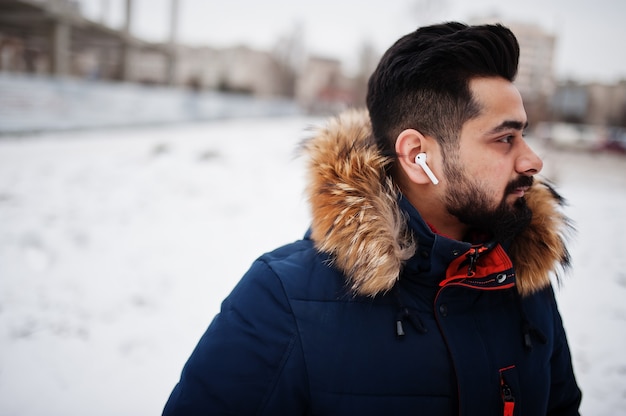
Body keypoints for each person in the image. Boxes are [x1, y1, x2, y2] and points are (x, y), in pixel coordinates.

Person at [163, 22, 582, 415]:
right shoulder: (282, 300)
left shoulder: (522, 279)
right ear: (418, 157)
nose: (532, 159)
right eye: (505, 138)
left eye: (524, 135)